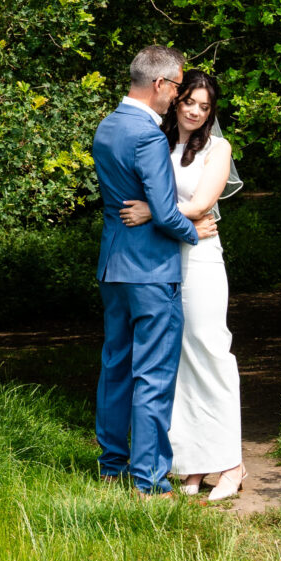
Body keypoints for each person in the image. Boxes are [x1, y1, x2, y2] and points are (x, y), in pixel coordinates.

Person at [90, 46, 210, 493]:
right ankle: (149, 481)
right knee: (153, 374)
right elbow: (163, 210)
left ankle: (111, 466)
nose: (177, 97)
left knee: (116, 367)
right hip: (151, 271)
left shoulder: (107, 126)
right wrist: (198, 230)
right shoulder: (148, 135)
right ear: (160, 84)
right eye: (177, 87)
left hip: (113, 268)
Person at [121, 70, 244, 500]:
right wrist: (165, 213)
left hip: (202, 260)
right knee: (179, 362)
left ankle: (232, 463)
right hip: (163, 259)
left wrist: (152, 212)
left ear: (212, 112)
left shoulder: (218, 148)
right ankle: (192, 465)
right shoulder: (159, 140)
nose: (194, 110)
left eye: (204, 106)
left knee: (211, 351)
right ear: (176, 101)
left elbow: (201, 204)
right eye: (189, 101)